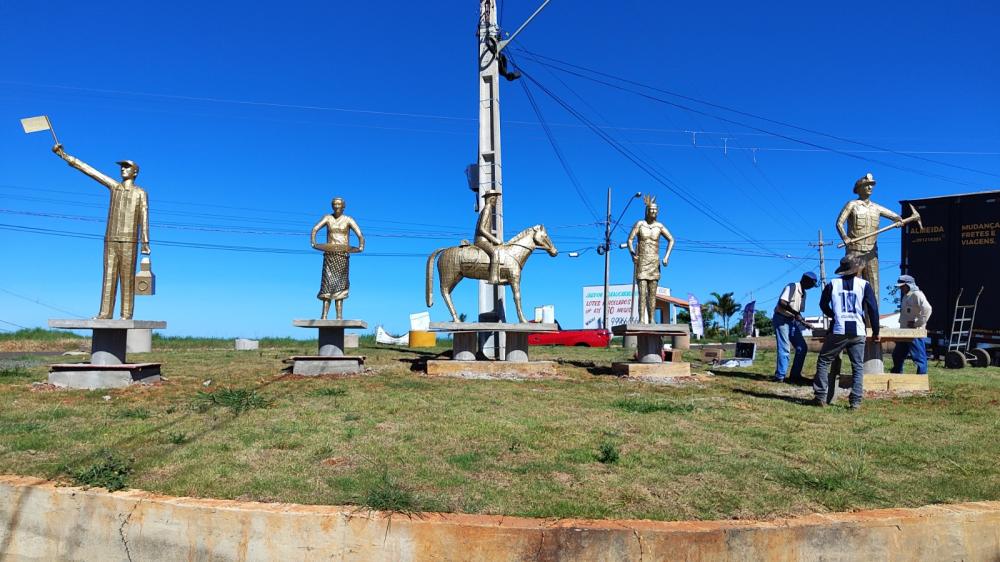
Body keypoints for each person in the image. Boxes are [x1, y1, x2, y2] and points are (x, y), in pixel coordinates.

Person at [52, 144, 150, 319]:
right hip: (110, 239)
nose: (123, 169)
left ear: (135, 172)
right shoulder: (114, 187)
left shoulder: (140, 193)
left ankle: (126, 314)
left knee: (127, 280)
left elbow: (144, 217)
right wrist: (64, 156)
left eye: (127, 167)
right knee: (109, 278)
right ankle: (105, 313)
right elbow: (90, 171)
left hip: (129, 241)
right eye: (122, 167)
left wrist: (145, 242)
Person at [812, 256, 880, 410]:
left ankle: (820, 396)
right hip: (858, 330)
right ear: (857, 270)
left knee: (824, 361)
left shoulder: (832, 284)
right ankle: (855, 402)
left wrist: (833, 314)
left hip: (838, 329)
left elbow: (823, 304)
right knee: (857, 367)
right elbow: (873, 310)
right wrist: (876, 332)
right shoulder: (864, 285)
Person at [835, 173, 903, 300]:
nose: (870, 188)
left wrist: (899, 221)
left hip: (872, 252)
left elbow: (896, 217)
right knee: (854, 288)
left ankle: (874, 319)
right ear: (859, 188)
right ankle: (855, 317)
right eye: (867, 185)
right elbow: (839, 223)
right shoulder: (852, 205)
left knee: (873, 290)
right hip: (854, 252)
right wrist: (845, 237)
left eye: (871, 185)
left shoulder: (877, 208)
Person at [311, 197, 365, 319]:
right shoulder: (327, 218)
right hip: (329, 256)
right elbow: (314, 229)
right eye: (334, 204)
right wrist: (313, 243)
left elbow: (360, 235)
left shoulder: (348, 219)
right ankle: (324, 315)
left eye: (339, 204)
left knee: (340, 285)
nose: (336, 206)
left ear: (343, 206)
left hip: (342, 256)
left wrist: (361, 246)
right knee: (327, 285)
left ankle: (339, 316)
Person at [627, 194, 675, 324]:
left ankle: (652, 318)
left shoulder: (659, 226)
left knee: (652, 294)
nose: (653, 211)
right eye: (651, 209)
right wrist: (632, 254)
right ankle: (642, 318)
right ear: (646, 211)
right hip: (642, 261)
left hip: (654, 262)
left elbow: (671, 239)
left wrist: (666, 257)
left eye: (655, 209)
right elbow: (630, 240)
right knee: (642, 292)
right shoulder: (640, 224)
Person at [771, 272, 818, 383]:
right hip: (781, 318)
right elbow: (782, 302)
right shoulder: (792, 286)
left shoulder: (803, 294)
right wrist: (795, 313)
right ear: (806, 280)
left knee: (802, 347)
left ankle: (795, 375)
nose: (811, 287)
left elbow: (797, 313)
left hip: (791, 320)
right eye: (811, 284)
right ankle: (780, 376)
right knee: (784, 348)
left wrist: (805, 323)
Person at [891, 274, 933, 374]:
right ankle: (897, 375)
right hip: (904, 332)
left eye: (902, 286)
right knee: (897, 355)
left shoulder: (917, 295)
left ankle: (921, 378)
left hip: (915, 333)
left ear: (909, 285)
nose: (901, 288)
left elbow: (928, 309)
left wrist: (917, 324)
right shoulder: (906, 296)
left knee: (919, 357)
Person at [474, 190, 503, 284]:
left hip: (485, 240)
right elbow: (481, 228)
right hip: (481, 240)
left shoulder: (488, 209)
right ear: (491, 199)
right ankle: (493, 278)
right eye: (495, 199)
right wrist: (494, 239)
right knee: (495, 252)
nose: (496, 201)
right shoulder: (487, 209)